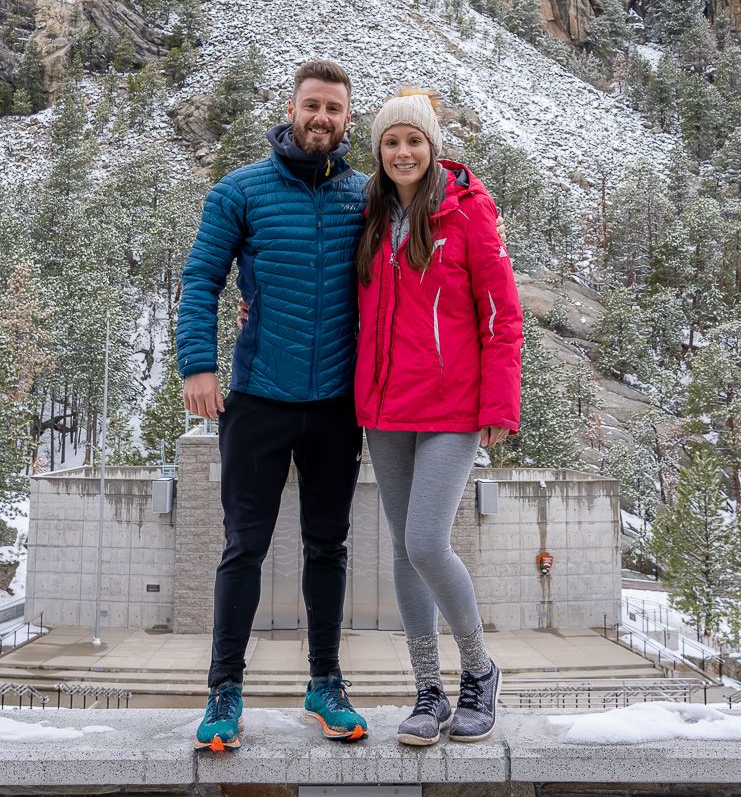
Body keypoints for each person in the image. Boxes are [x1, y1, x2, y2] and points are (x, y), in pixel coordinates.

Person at [176, 60, 369, 752]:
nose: (322, 118)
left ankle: (325, 684)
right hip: (256, 397)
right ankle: (223, 691)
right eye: (311, 106)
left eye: (334, 110)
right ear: (290, 108)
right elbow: (200, 278)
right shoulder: (239, 191)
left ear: (349, 119)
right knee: (243, 549)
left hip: (336, 405)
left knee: (327, 546)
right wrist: (197, 364)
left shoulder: (365, 198)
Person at [354, 89, 523, 747]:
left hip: (452, 407)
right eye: (391, 142)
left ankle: (478, 673)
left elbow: (500, 314)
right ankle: (428, 690)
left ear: (433, 148)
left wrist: (498, 404)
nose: (402, 152)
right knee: (402, 550)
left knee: (426, 541)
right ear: (380, 150)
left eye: (413, 141)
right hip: (384, 408)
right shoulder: (368, 216)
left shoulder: (468, 212)